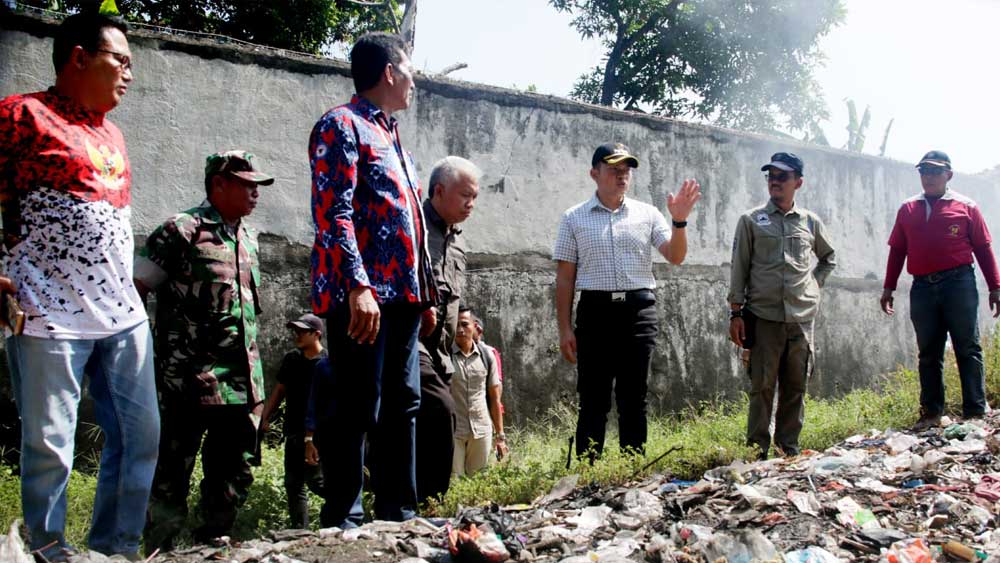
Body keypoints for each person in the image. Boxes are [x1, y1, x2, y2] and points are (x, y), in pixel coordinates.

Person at [0, 11, 159, 561]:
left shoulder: (111, 131)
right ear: (78, 57)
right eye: (121, 60)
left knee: (140, 438)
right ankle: (48, 551)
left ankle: (117, 549)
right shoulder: (22, 116)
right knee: (50, 447)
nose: (129, 75)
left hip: (121, 314)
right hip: (47, 312)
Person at [308, 31, 436, 528]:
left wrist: (422, 294)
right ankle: (344, 515)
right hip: (362, 297)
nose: (413, 81)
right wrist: (358, 285)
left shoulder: (390, 133)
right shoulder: (341, 125)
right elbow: (332, 212)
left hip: (402, 296)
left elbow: (408, 221)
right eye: (410, 70)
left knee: (404, 401)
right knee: (357, 405)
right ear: (388, 71)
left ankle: (399, 511)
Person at [137, 150, 274, 553]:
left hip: (240, 385)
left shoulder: (248, 238)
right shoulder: (181, 231)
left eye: (257, 186)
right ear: (219, 183)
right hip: (188, 383)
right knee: (168, 478)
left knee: (233, 476)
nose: (255, 193)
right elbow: (135, 293)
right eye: (247, 184)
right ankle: (160, 553)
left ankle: (213, 548)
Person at [553, 143, 700, 462]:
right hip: (595, 313)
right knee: (593, 399)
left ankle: (633, 468)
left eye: (627, 169)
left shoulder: (647, 214)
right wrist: (565, 328)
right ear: (595, 173)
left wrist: (680, 222)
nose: (622, 175)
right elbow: (565, 277)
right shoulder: (574, 218)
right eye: (614, 169)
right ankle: (587, 472)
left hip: (638, 312)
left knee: (634, 397)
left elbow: (675, 256)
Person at [728, 152, 836, 458]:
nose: (775, 182)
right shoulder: (751, 220)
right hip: (764, 317)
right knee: (762, 387)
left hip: (801, 319)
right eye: (770, 176)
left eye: (782, 177)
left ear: (798, 183)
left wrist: (813, 285)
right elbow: (739, 268)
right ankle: (757, 452)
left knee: (795, 387)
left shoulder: (810, 222)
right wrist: (735, 313)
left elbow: (829, 259)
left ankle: (789, 449)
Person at [881, 150, 999, 429]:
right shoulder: (908, 208)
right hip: (922, 286)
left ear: (949, 175)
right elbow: (898, 250)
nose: (929, 177)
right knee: (928, 351)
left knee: (967, 346)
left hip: (958, 283)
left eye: (935, 171)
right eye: (923, 171)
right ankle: (932, 413)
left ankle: (975, 411)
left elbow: (983, 248)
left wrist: (995, 287)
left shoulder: (966, 206)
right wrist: (889, 287)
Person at [415, 156, 480, 505]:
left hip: (440, 353)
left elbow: (453, 298)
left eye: (475, 198)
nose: (471, 204)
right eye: (465, 196)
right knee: (440, 412)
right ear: (439, 191)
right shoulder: (413, 227)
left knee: (429, 424)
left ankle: (421, 503)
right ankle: (430, 499)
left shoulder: (458, 241)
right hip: (409, 343)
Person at [260, 313, 328, 528]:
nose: (297, 335)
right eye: (295, 331)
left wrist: (314, 435)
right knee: (293, 483)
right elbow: (280, 389)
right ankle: (300, 530)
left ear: (316, 334)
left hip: (318, 433)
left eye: (302, 331)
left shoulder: (326, 362)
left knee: (317, 481)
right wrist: (265, 416)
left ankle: (345, 513)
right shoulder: (292, 358)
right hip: (294, 429)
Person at [450, 307, 506, 476]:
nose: (460, 329)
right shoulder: (444, 355)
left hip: (481, 429)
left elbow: (495, 398)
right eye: (456, 324)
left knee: (478, 480)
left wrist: (500, 436)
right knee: (454, 482)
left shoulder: (487, 356)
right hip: (454, 431)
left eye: (465, 324)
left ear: (474, 326)